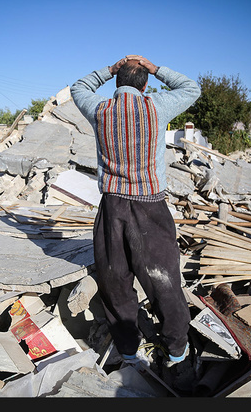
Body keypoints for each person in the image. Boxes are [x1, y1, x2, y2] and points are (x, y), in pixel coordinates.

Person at [70, 55, 201, 366]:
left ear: (117, 81)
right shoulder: (157, 106)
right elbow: (191, 88)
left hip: (112, 206)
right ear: (146, 85)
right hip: (150, 206)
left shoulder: (100, 109)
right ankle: (177, 351)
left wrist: (109, 69)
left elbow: (78, 88)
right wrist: (156, 68)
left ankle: (129, 351)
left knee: (115, 280)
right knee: (164, 280)